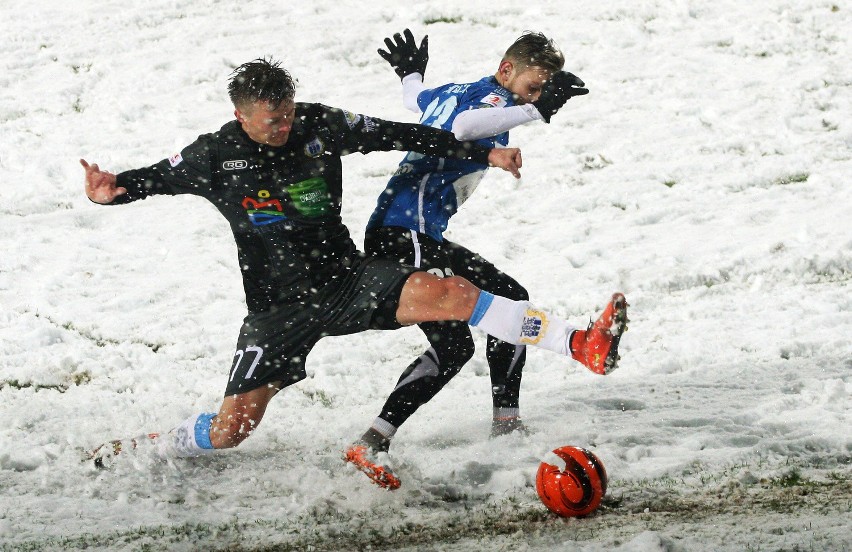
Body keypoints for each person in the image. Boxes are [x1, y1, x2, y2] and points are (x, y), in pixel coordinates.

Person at [80, 58, 626, 491]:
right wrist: (109, 189)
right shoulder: (213, 155)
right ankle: (147, 446)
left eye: (289, 113)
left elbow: (402, 134)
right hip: (279, 311)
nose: (285, 126)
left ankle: (578, 343)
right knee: (231, 432)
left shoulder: (320, 123)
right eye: (274, 121)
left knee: (456, 293)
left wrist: (483, 152)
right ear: (242, 115)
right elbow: (144, 181)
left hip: (348, 281)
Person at [349, 29, 600, 472]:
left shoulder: (456, 91)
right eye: (532, 86)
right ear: (506, 71)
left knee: (509, 297)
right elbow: (465, 127)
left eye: (541, 91)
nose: (536, 96)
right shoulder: (494, 102)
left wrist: (410, 72)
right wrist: (535, 110)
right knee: (454, 348)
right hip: (406, 234)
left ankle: (505, 423)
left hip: (411, 232)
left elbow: (417, 99)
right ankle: (371, 442)